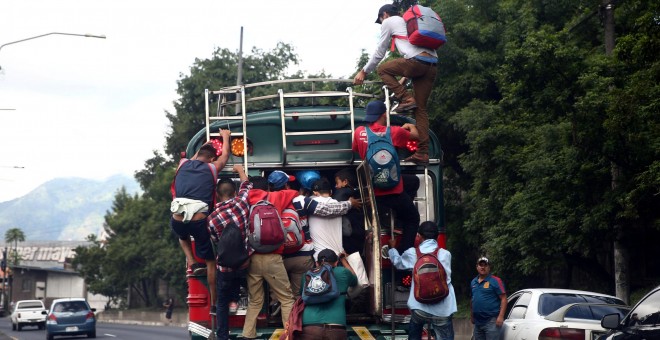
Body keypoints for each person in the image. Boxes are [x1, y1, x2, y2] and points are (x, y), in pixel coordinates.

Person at [353, 4, 438, 164]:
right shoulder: (409, 22)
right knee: (420, 110)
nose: (381, 22)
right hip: (431, 64)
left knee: (383, 69)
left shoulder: (389, 21)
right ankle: (423, 152)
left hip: (416, 62)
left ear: (384, 14)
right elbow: (416, 52)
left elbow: (380, 51)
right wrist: (404, 79)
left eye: (380, 19)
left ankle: (405, 98)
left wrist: (364, 71)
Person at [170, 128, 230, 315]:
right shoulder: (212, 168)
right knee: (211, 261)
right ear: (211, 159)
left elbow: (197, 155)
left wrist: (206, 141)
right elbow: (226, 155)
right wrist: (225, 138)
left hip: (177, 217)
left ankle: (192, 261)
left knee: (182, 237)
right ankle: (214, 302)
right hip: (199, 219)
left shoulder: (182, 164)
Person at [352, 100, 421, 253]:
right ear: (384, 115)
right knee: (413, 218)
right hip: (395, 191)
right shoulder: (395, 132)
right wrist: (409, 126)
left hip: (374, 193)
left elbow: (355, 149)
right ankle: (404, 252)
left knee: (412, 182)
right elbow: (417, 136)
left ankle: (395, 217)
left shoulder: (359, 132)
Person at [386, 221, 457, 340]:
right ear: (437, 236)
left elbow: (398, 263)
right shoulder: (445, 254)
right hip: (443, 309)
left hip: (420, 307)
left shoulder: (412, 253)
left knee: (415, 323)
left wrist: (392, 249)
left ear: (419, 236)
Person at [207, 164, 252, 340]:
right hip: (244, 264)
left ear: (217, 195)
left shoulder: (211, 219)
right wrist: (240, 170)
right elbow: (247, 186)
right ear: (234, 192)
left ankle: (222, 335)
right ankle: (238, 300)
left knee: (221, 301)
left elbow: (216, 241)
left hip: (224, 267)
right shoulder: (241, 204)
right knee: (247, 287)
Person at [299, 249, 357, 340]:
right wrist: (344, 261)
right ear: (336, 263)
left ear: (317, 263)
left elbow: (302, 296)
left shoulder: (307, 275)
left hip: (310, 326)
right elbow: (355, 281)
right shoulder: (343, 272)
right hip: (336, 326)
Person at [470, 257, 507, 340]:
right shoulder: (473, 282)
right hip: (478, 322)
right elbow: (472, 299)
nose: (483, 267)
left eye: (485, 265)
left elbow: (504, 299)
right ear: (477, 267)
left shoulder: (496, 281)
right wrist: (472, 316)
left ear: (489, 267)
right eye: (481, 265)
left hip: (491, 321)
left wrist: (501, 316)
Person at [308, 178, 345, 259]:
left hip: (320, 257)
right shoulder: (338, 205)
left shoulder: (310, 204)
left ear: (315, 192)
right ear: (331, 192)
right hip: (338, 254)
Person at [332, 169, 365, 255]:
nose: (336, 186)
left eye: (337, 183)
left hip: (349, 235)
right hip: (359, 233)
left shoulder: (342, 192)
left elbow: (333, 207)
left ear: (345, 182)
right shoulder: (358, 193)